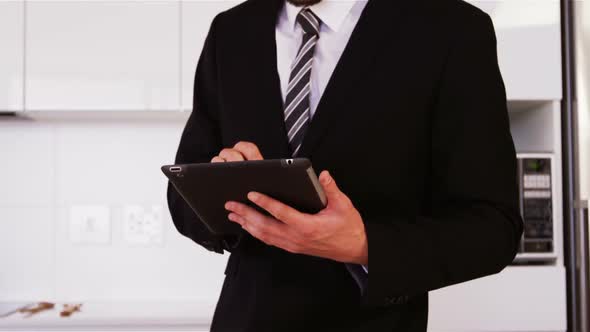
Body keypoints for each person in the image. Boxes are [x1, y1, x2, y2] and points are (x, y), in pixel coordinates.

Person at [167, 0, 524, 330]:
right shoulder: (231, 31)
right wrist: (223, 187)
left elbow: (493, 228)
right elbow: (182, 199)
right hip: (245, 319)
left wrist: (365, 245)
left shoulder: (451, 29)